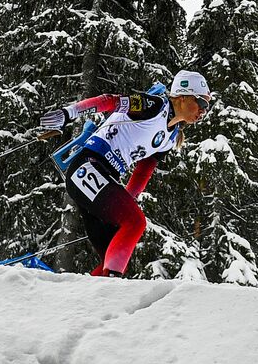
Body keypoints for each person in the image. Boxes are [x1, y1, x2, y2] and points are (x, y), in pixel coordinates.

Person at [38, 69, 212, 277]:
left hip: (105, 174)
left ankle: (87, 299)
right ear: (182, 97)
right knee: (135, 223)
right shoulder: (154, 106)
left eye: (207, 107)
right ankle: (111, 286)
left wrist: (126, 202)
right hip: (88, 164)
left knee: (113, 253)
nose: (203, 111)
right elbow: (110, 101)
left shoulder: (170, 137)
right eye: (201, 103)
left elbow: (142, 172)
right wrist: (68, 113)